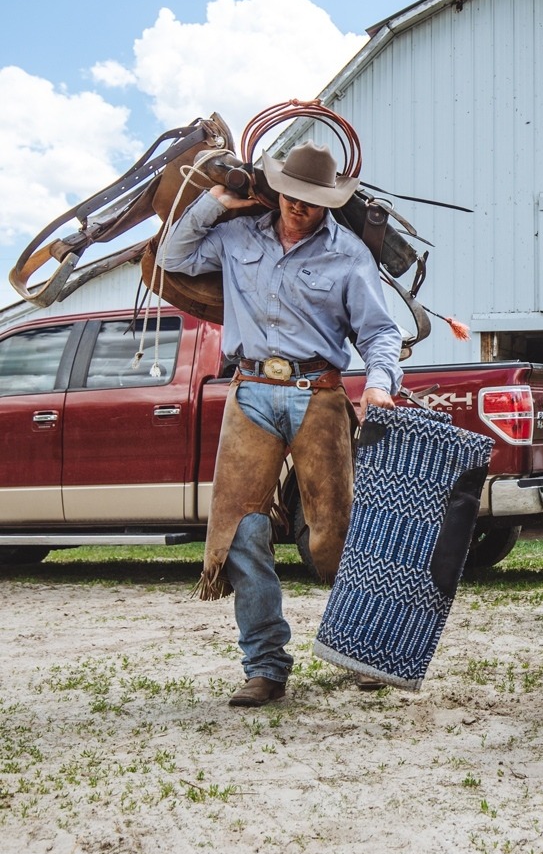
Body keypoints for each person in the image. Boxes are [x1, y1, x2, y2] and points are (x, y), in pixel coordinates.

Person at [160, 139, 402, 707]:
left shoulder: (348, 255)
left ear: (329, 202)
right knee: (242, 531)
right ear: (278, 189)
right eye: (292, 194)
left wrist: (379, 383)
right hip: (250, 392)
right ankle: (265, 666)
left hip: (318, 393)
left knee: (333, 532)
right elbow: (174, 257)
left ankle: (365, 648)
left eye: (312, 200)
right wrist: (216, 202)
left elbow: (379, 331)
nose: (299, 206)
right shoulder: (237, 236)